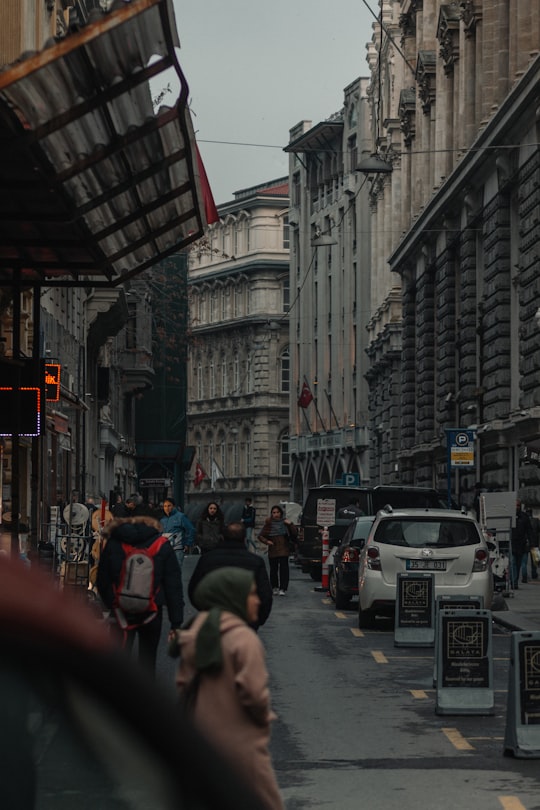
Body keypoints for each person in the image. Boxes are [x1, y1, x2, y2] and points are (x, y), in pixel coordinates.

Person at [175, 567, 284, 810]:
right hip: (240, 742)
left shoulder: (197, 629)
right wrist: (262, 718)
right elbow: (254, 694)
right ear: (233, 597)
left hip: (200, 738)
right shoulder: (244, 639)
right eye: (251, 594)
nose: (258, 600)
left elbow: (183, 684)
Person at [96, 515, 184, 673]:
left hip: (120, 611)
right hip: (152, 610)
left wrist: (113, 603)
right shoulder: (161, 544)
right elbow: (173, 585)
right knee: (147, 661)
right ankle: (144, 694)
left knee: (118, 661)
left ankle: (118, 694)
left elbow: (102, 579)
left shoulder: (114, 543)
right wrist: (175, 622)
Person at [188, 522, 272, 630]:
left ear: (222, 537)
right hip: (245, 619)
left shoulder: (207, 559)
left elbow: (194, 589)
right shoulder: (255, 561)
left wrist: (206, 610)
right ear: (244, 538)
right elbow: (265, 594)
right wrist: (257, 619)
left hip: (215, 617)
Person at [257, 505, 298, 596]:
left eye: (277, 512)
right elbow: (260, 535)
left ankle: (283, 588)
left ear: (281, 513)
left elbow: (295, 533)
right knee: (273, 570)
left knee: (284, 569)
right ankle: (274, 587)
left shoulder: (285, 522)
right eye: (274, 513)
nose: (276, 514)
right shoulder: (269, 523)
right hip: (273, 549)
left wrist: (290, 524)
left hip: (284, 548)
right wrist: (267, 541)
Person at [158, 497, 195, 570]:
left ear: (173, 506)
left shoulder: (180, 517)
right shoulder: (162, 520)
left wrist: (188, 543)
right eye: (165, 506)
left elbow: (191, 529)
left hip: (177, 549)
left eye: (169, 506)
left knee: (176, 569)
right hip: (165, 549)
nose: (167, 508)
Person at [511, 500, 535, 589]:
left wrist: (532, 542)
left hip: (521, 544)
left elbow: (529, 530)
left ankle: (515, 581)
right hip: (512, 543)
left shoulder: (524, 517)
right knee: (512, 562)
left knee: (518, 564)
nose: (516, 507)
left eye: (518, 505)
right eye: (515, 505)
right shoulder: (510, 516)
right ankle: (513, 582)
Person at [525, 508, 540, 580]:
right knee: (535, 560)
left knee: (524, 560)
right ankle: (534, 573)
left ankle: (524, 574)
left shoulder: (524, 520)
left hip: (525, 542)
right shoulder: (536, 521)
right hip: (535, 543)